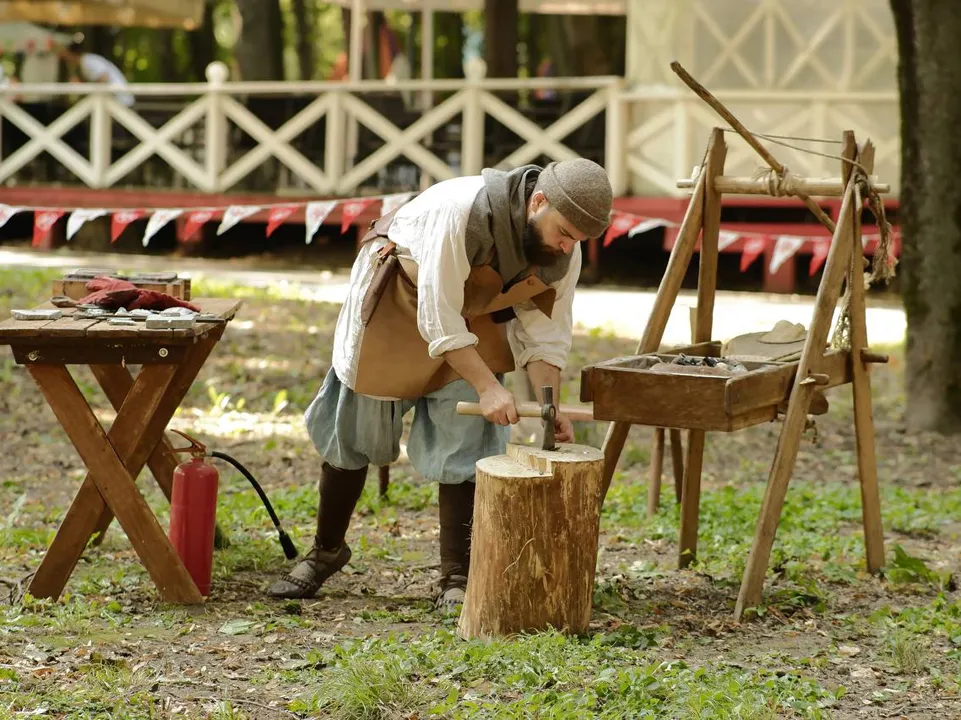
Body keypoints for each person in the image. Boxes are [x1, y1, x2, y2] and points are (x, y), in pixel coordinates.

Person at [267, 159, 614, 610]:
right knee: (353, 433)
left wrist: (550, 407)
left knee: (465, 444)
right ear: (538, 201)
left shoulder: (562, 251)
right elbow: (438, 316)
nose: (568, 246)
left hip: (473, 315)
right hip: (400, 300)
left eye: (578, 241)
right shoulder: (460, 212)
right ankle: (327, 551)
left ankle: (455, 577)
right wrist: (491, 388)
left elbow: (545, 333)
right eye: (564, 232)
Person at [60, 40, 134, 108]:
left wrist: (85, 87)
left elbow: (104, 77)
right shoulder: (86, 62)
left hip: (121, 101)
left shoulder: (88, 61)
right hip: (116, 102)